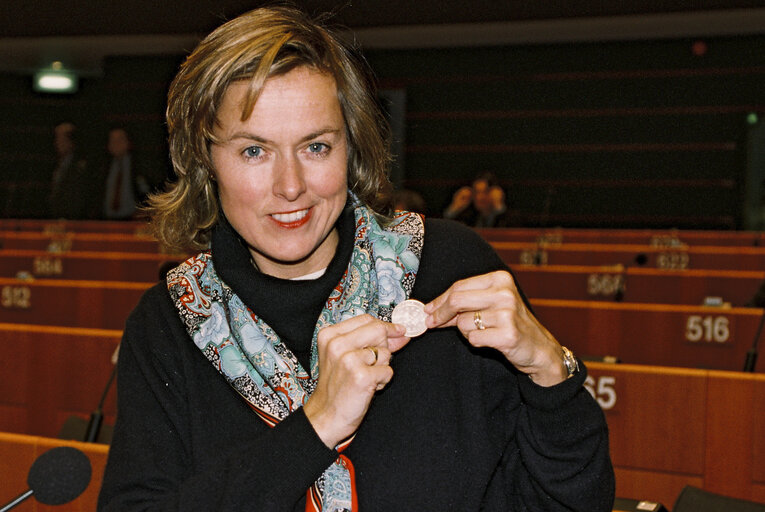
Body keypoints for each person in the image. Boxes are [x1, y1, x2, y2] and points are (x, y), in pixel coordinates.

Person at [98, 6, 614, 511]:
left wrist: (552, 373)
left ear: (351, 148)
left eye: (316, 147)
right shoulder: (169, 323)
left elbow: (573, 501)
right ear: (204, 162)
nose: (291, 186)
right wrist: (316, 426)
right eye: (254, 151)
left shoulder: (452, 267)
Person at [98, 127, 153, 220]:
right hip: (106, 220)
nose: (116, 144)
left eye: (120, 140)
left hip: (133, 220)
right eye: (112, 140)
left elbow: (149, 191)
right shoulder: (102, 166)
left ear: (129, 142)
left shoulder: (140, 165)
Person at [444, 172, 515, 227]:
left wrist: (498, 206)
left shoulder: (509, 218)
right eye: (476, 192)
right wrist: (455, 208)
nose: (479, 197)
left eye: (485, 192)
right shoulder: (469, 217)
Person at [48, 121, 89, 218]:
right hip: (55, 217)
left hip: (71, 219)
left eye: (61, 139)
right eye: (57, 139)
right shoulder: (57, 164)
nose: (57, 143)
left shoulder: (80, 167)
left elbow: (77, 197)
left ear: (70, 142)